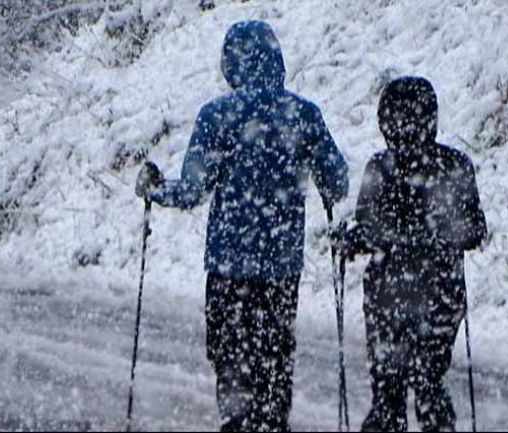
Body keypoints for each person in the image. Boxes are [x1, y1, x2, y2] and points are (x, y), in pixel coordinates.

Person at [135, 20, 348, 432]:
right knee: (274, 361)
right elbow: (336, 184)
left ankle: (239, 423)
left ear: (231, 64)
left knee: (233, 362)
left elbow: (194, 190)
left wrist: (155, 190)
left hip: (228, 267)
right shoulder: (302, 114)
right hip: (281, 269)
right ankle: (272, 423)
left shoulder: (218, 115)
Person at [339, 76, 487, 432]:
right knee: (428, 382)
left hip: (388, 298)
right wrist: (439, 234)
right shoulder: (454, 166)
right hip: (441, 295)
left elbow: (369, 231)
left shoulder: (381, 168)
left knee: (388, 390)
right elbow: (475, 231)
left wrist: (353, 241)